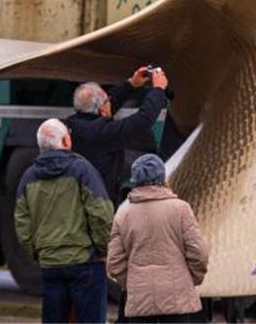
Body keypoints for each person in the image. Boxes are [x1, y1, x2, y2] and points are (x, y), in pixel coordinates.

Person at [15, 118, 115, 324]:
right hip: (85, 262)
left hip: (51, 264)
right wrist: (104, 250)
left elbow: (22, 223)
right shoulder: (82, 170)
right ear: (66, 142)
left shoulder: (29, 176)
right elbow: (101, 214)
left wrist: (38, 253)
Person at [108, 154, 209, 323]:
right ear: (162, 177)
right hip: (177, 297)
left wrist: (132, 283)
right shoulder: (181, 209)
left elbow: (114, 263)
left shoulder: (123, 214)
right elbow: (198, 253)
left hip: (140, 299)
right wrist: (191, 279)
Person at [65, 66, 170, 204]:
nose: (111, 99)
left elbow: (107, 108)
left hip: (82, 195)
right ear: (102, 110)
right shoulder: (102, 134)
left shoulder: (76, 123)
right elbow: (142, 120)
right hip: (100, 202)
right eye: (107, 99)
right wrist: (158, 90)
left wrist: (132, 83)